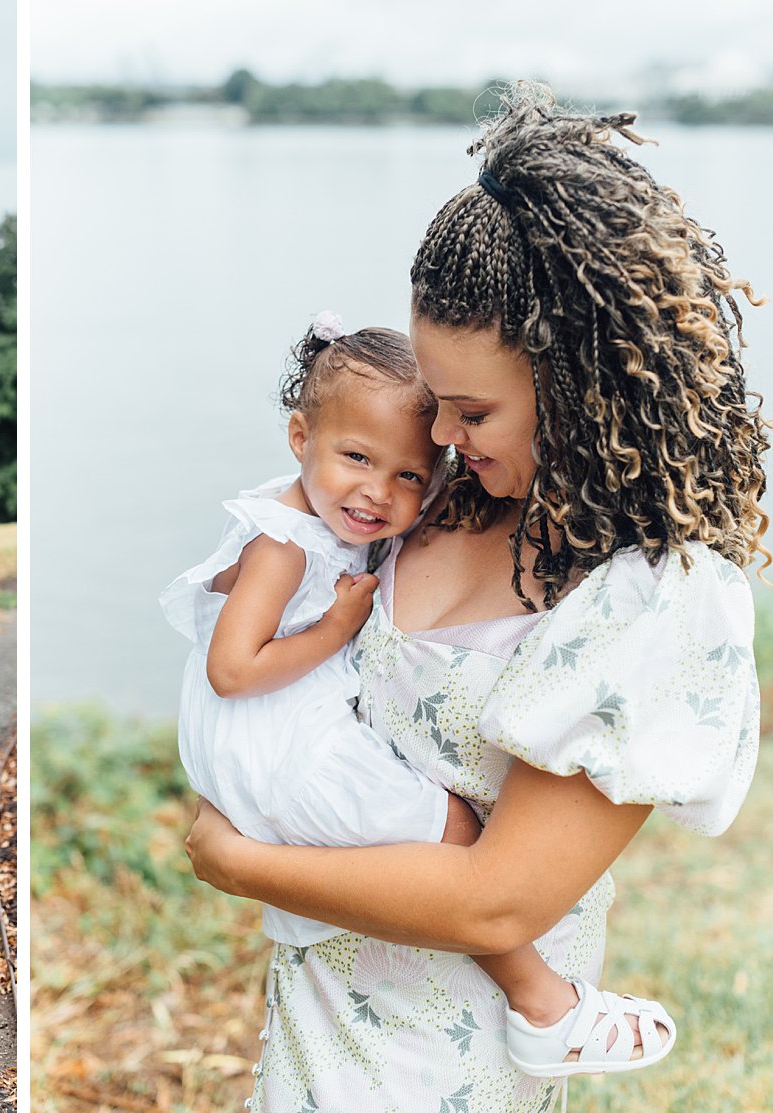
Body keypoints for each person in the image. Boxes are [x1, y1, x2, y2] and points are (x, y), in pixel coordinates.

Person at [184, 82, 764, 1112]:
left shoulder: (650, 604)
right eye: (436, 405)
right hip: (310, 1026)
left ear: (585, 382)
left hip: (450, 1070)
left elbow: (496, 905)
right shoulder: (437, 502)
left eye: (473, 409)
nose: (441, 440)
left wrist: (241, 858)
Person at [163, 311, 674, 1080]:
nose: (378, 492)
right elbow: (232, 669)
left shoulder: (327, 514)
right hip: (283, 749)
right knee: (453, 827)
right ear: (300, 438)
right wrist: (337, 629)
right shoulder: (281, 539)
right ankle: (544, 1004)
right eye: (357, 458)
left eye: (410, 474)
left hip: (278, 742)